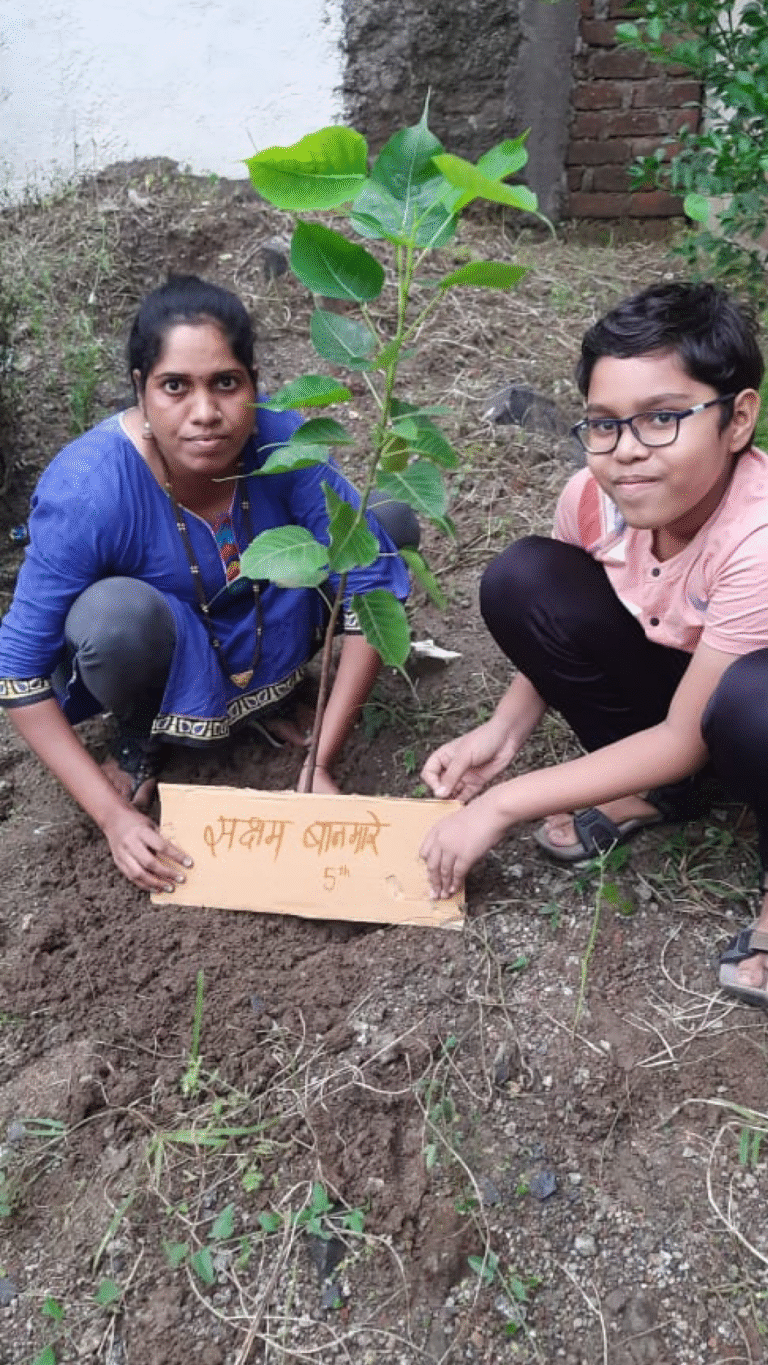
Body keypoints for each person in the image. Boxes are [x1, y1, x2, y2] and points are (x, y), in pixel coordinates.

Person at [0, 275, 411, 895]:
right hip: (157, 644)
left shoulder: (282, 441)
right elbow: (17, 670)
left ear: (254, 384)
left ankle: (277, 699)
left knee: (384, 526)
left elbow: (369, 583)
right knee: (114, 621)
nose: (205, 413)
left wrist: (320, 761)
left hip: (268, 617)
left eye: (226, 383)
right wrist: (112, 818)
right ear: (140, 390)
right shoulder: (89, 488)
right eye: (175, 386)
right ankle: (142, 730)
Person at [420, 281, 768, 1007]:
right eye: (605, 425)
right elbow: (564, 625)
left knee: (752, 705)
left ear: (738, 419)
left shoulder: (756, 537)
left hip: (745, 707)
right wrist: (503, 731)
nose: (626, 453)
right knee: (524, 578)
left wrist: (501, 804)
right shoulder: (592, 498)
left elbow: (685, 736)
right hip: (691, 690)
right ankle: (658, 791)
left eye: (663, 418)